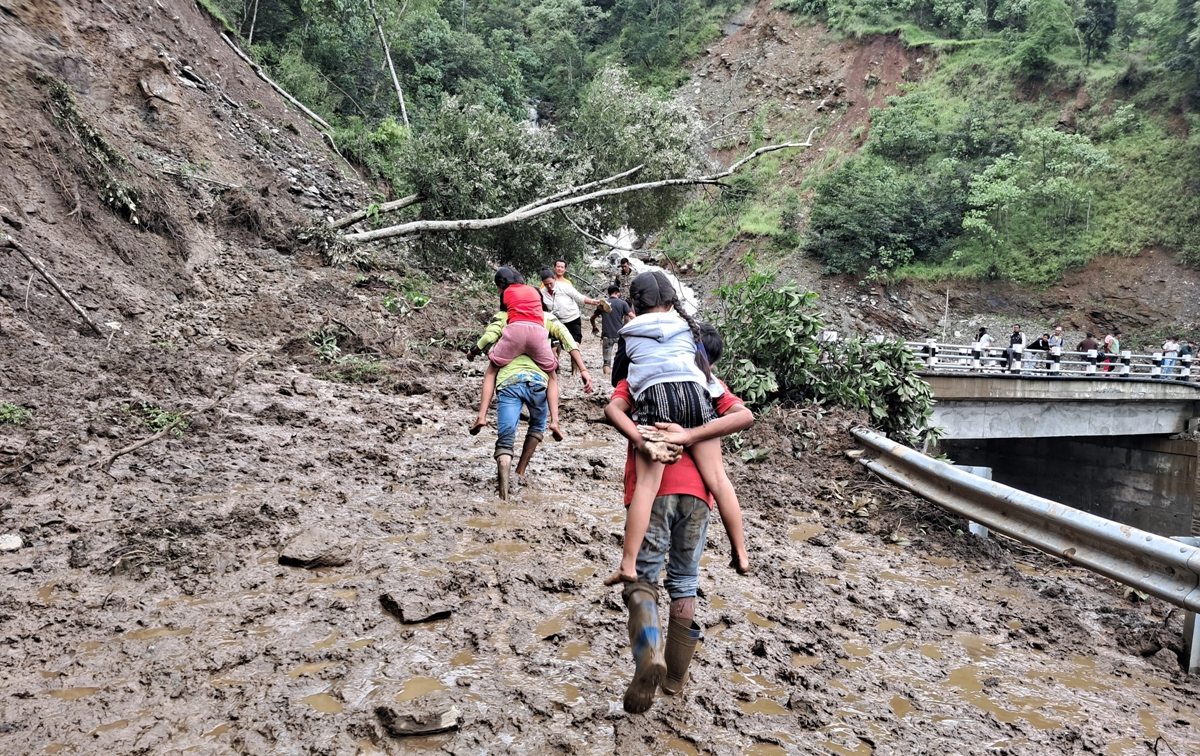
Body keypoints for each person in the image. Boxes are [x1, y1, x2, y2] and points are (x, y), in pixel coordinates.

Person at [605, 328, 753, 714]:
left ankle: (650, 654)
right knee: (685, 582)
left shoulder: (638, 376)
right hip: (698, 499)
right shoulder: (709, 389)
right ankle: (674, 680)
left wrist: (640, 437)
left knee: (643, 580)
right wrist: (739, 548)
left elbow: (614, 409)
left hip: (654, 495)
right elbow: (739, 422)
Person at [603, 272, 748, 587]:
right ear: (673, 302)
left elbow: (618, 386)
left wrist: (641, 439)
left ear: (635, 305)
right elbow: (742, 414)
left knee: (647, 487)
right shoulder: (689, 328)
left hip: (657, 402)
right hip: (696, 398)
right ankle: (741, 552)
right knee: (720, 481)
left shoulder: (629, 331)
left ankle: (628, 564)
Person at [469, 309, 594, 496]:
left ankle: (503, 491)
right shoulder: (546, 317)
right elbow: (567, 338)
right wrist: (583, 369)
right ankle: (520, 471)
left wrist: (474, 351)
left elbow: (488, 337)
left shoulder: (505, 316)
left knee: (506, 437)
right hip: (538, 383)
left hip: (509, 383)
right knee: (537, 424)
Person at [469, 268, 562, 440]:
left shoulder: (506, 294)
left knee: (491, 372)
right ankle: (555, 421)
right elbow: (562, 334)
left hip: (516, 335)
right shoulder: (535, 292)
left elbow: (493, 331)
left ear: (501, 284)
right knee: (552, 376)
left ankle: (481, 416)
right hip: (538, 335)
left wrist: (474, 351)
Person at [541, 260, 605, 350]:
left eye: (551, 283)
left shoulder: (565, 285)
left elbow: (578, 297)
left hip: (572, 318)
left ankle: (575, 363)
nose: (549, 286)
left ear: (554, 279)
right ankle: (555, 363)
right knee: (554, 346)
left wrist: (592, 301)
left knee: (574, 345)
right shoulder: (542, 292)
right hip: (557, 321)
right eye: (546, 284)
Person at [591, 285, 633, 376]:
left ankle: (606, 378)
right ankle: (620, 377)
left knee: (607, 361)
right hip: (620, 335)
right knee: (622, 358)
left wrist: (594, 326)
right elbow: (632, 316)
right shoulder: (623, 303)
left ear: (608, 294)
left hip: (607, 335)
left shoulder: (603, 305)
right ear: (618, 293)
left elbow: (592, 317)